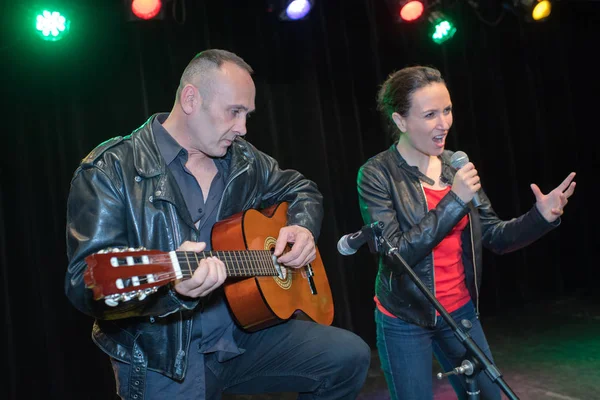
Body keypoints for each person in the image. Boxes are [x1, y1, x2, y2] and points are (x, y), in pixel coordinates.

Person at [65, 49, 370, 400]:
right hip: (163, 355)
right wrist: (171, 290)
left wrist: (302, 227)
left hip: (244, 332)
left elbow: (301, 188)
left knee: (348, 357)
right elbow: (85, 284)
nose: (242, 128)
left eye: (247, 115)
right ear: (191, 98)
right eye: (234, 112)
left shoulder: (243, 159)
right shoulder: (110, 169)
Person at [357, 65, 576, 400]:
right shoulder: (376, 174)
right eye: (430, 114)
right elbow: (396, 253)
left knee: (489, 395)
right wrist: (454, 200)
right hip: (405, 317)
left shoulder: (455, 165)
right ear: (400, 121)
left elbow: (494, 236)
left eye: (447, 110)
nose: (443, 123)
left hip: (458, 311)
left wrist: (540, 217)